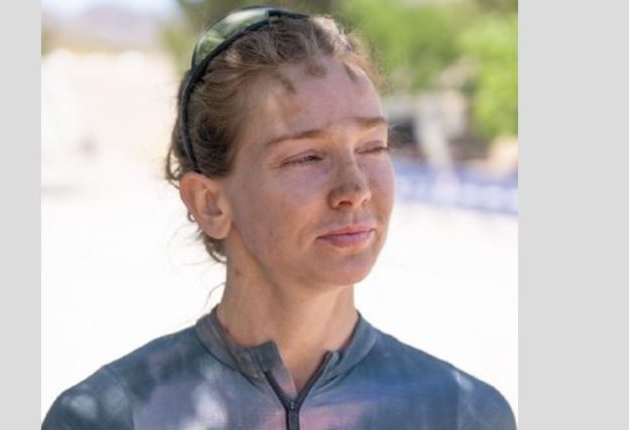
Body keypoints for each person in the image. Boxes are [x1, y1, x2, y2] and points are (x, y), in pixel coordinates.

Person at [42, 6, 516, 430]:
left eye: (373, 147)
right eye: (306, 157)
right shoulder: (109, 417)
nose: (355, 189)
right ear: (210, 203)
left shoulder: (464, 413)